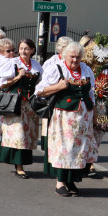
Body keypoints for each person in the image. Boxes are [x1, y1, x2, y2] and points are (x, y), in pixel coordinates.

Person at [36, 41, 97, 196]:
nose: (75, 60)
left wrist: (94, 116)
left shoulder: (86, 70)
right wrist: (58, 87)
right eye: (72, 57)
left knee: (78, 150)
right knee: (64, 149)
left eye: (78, 57)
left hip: (83, 119)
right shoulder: (57, 69)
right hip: (64, 118)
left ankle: (71, 181)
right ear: (65, 56)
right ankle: (60, 182)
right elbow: (40, 91)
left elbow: (91, 94)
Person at [0, 38, 43, 178]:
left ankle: (20, 163)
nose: (23, 51)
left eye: (26, 48)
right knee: (19, 134)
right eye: (21, 48)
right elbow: (2, 84)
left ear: (32, 50)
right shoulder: (13, 63)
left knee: (28, 135)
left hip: (30, 105)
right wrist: (17, 77)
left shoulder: (36, 65)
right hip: (15, 103)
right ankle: (19, 166)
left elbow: (41, 84)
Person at [37, 36, 72, 180]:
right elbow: (42, 85)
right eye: (66, 48)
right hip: (53, 101)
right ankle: (52, 164)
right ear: (60, 49)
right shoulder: (52, 62)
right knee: (53, 135)